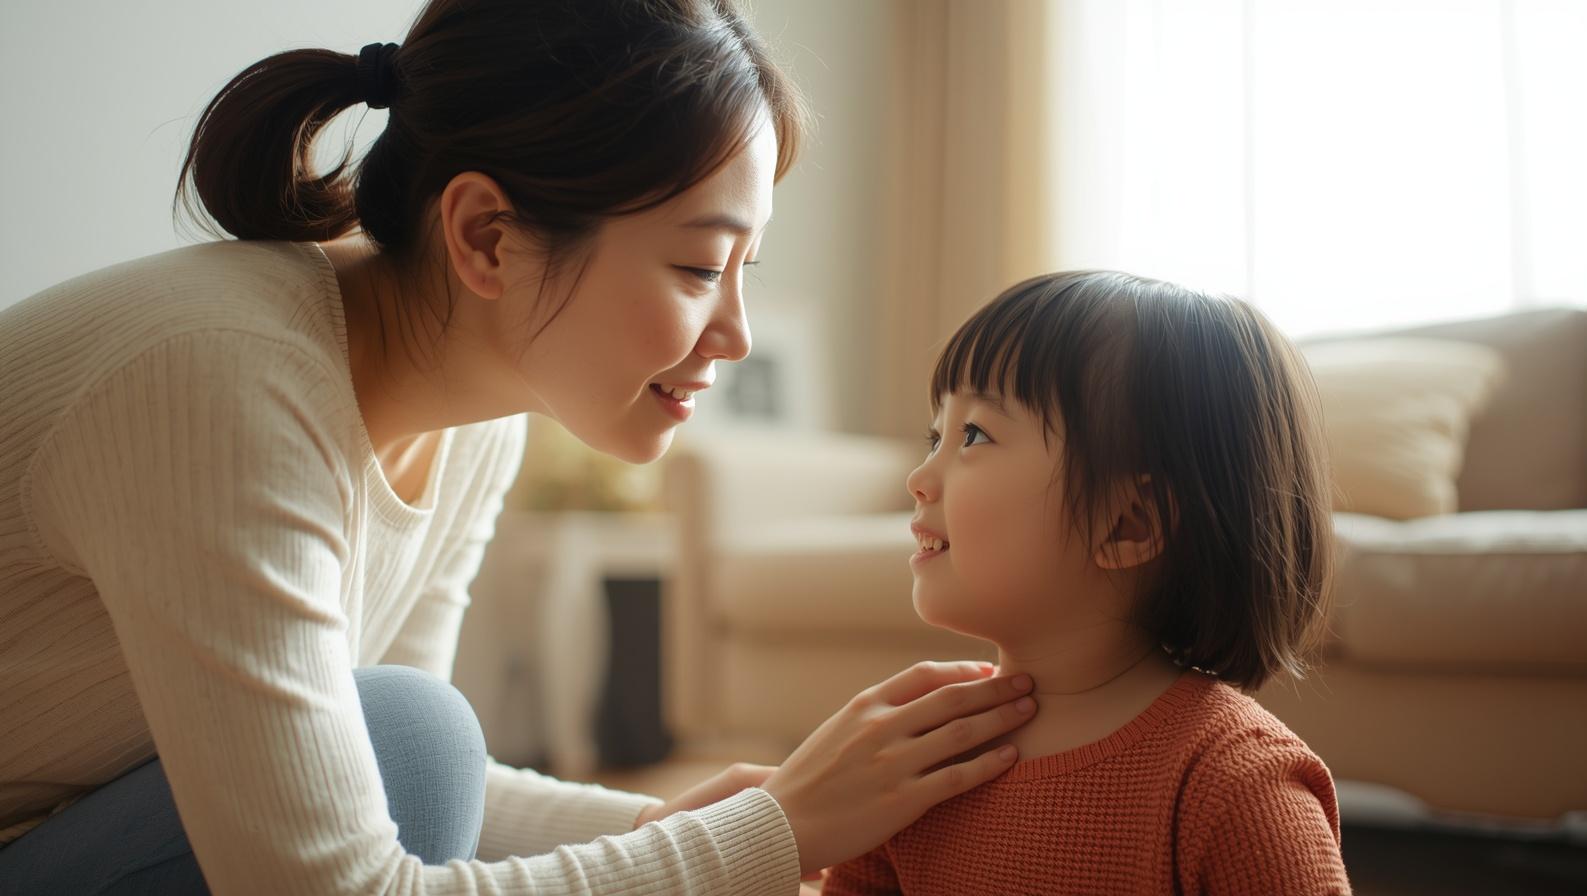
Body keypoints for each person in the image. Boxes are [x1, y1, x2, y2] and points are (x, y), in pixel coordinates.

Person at [0, 1, 1040, 893]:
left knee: (413, 736)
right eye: (696, 267)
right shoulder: (223, 385)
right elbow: (337, 876)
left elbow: (393, 788)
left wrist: (666, 828)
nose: (736, 333)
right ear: (486, 236)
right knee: (413, 731)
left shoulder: (476, 414)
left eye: (742, 268)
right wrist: (765, 840)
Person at [823, 271, 1353, 894]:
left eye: (974, 435)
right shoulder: (915, 759)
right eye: (935, 435)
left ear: (1128, 523)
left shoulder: (1234, 783)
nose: (919, 475)